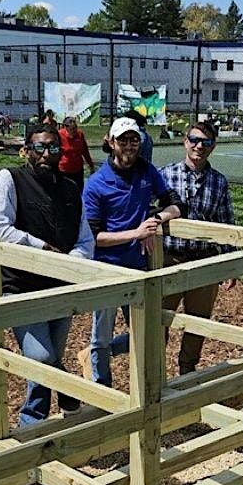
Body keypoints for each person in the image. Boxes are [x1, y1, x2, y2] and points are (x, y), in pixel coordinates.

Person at [0, 124, 95, 424]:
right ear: (26, 151)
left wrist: (73, 261)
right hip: (21, 287)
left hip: (60, 288)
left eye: (53, 148)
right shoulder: (10, 179)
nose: (46, 154)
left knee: (50, 360)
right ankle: (34, 421)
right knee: (42, 359)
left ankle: (51, 416)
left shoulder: (70, 188)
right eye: (39, 148)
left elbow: (85, 239)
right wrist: (40, 247)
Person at [81, 116, 184, 386]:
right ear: (110, 142)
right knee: (101, 335)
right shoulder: (96, 183)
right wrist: (136, 234)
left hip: (137, 267)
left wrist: (155, 221)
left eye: (134, 139)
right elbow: (94, 237)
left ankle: (145, 390)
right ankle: (102, 391)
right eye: (123, 140)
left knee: (144, 332)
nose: (129, 145)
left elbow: (175, 205)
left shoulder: (146, 171)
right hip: (106, 268)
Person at [160, 121, 235, 374]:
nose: (199, 146)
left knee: (197, 323)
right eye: (194, 139)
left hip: (203, 261)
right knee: (159, 321)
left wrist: (229, 264)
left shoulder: (219, 182)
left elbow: (226, 223)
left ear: (213, 147)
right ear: (185, 141)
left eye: (206, 142)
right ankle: (155, 376)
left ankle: (187, 374)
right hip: (169, 258)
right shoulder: (164, 175)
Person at [58, 115, 95, 183]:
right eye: (71, 129)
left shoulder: (80, 134)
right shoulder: (59, 135)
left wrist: (91, 165)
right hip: (64, 170)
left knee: (79, 190)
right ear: (66, 127)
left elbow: (85, 151)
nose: (74, 131)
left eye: (75, 128)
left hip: (78, 169)